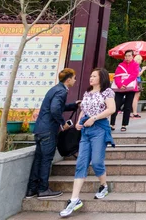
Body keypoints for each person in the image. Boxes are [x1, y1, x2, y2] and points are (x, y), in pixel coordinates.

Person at [60, 68, 116, 217]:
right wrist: (79, 121)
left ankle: (104, 186)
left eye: (94, 76)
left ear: (101, 77)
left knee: (97, 161)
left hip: (99, 129)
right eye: (90, 76)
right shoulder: (87, 92)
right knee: (81, 163)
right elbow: (84, 110)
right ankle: (74, 199)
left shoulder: (107, 92)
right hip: (85, 130)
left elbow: (112, 109)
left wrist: (95, 118)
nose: (90, 78)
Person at [26, 68, 80, 199]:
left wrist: (73, 105)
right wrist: (63, 123)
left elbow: (57, 106)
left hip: (40, 129)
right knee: (46, 160)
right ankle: (43, 189)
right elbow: (55, 109)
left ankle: (32, 189)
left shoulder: (55, 89)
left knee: (38, 159)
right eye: (74, 78)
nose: (75, 80)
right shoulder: (62, 91)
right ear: (68, 80)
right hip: (49, 130)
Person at [110, 49, 139, 132]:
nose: (127, 57)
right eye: (126, 56)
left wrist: (125, 84)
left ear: (133, 56)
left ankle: (124, 125)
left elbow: (134, 75)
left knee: (127, 106)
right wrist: (120, 85)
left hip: (130, 87)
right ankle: (112, 124)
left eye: (129, 56)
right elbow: (116, 76)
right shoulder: (120, 65)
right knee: (116, 105)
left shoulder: (135, 65)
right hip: (120, 88)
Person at [131, 54, 146, 119]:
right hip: (137, 82)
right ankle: (134, 112)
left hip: (135, 82)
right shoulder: (136, 66)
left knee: (135, 98)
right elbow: (138, 75)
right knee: (136, 98)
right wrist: (143, 69)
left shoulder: (133, 65)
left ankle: (134, 112)